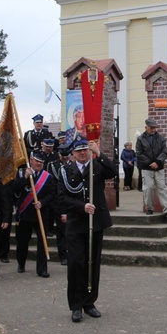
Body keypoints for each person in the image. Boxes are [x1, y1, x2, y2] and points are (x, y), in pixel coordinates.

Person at [58, 137, 117, 323]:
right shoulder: (66, 171)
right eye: (79, 151)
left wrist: (99, 153)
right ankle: (75, 306)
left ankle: (89, 302)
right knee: (76, 264)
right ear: (73, 154)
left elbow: (113, 172)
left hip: (96, 222)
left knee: (93, 263)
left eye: (85, 150)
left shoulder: (97, 166)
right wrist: (81, 206)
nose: (83, 153)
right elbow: (62, 197)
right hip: (76, 223)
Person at [10, 150, 57, 278]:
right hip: (25, 213)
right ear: (31, 160)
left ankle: (42, 269)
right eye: (37, 161)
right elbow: (13, 188)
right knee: (22, 241)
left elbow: (52, 194)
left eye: (41, 162)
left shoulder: (48, 177)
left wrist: (42, 202)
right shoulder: (21, 173)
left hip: (41, 213)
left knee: (42, 241)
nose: (39, 164)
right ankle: (21, 263)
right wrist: (25, 177)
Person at [135, 118, 167, 216]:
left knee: (162, 187)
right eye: (151, 128)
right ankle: (149, 208)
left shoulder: (161, 138)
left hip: (159, 167)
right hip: (146, 168)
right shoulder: (140, 139)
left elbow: (164, 152)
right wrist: (150, 163)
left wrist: (157, 162)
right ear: (146, 127)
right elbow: (139, 153)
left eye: (154, 128)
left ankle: (166, 209)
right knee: (148, 188)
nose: (153, 130)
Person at [47, 144, 72, 266]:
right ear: (59, 154)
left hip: (71, 201)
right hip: (58, 201)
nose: (65, 158)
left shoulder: (72, 165)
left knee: (72, 229)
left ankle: (71, 253)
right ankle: (63, 255)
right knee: (61, 230)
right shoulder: (52, 165)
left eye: (66, 155)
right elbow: (50, 183)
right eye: (63, 155)